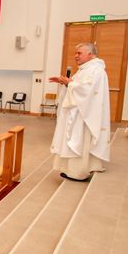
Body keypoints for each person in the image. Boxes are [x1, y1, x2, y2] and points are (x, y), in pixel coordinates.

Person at [49, 42, 110, 181]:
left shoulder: (96, 70)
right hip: (78, 112)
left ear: (90, 54)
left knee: (80, 141)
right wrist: (66, 83)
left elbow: (87, 91)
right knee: (74, 140)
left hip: (84, 115)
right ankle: (70, 170)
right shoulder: (85, 69)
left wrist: (69, 83)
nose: (76, 56)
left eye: (79, 53)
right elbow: (78, 86)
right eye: (76, 53)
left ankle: (79, 172)